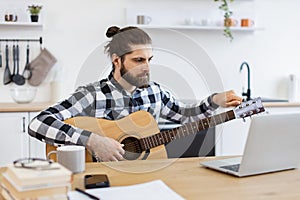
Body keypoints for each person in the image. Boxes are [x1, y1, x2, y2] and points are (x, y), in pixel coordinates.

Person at [28, 26, 242, 162]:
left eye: (149, 60)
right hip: (101, 183)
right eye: (138, 60)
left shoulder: (156, 92)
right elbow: (39, 123)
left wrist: (215, 100)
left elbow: (187, 116)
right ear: (116, 60)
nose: (147, 67)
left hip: (144, 180)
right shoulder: (91, 95)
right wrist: (92, 140)